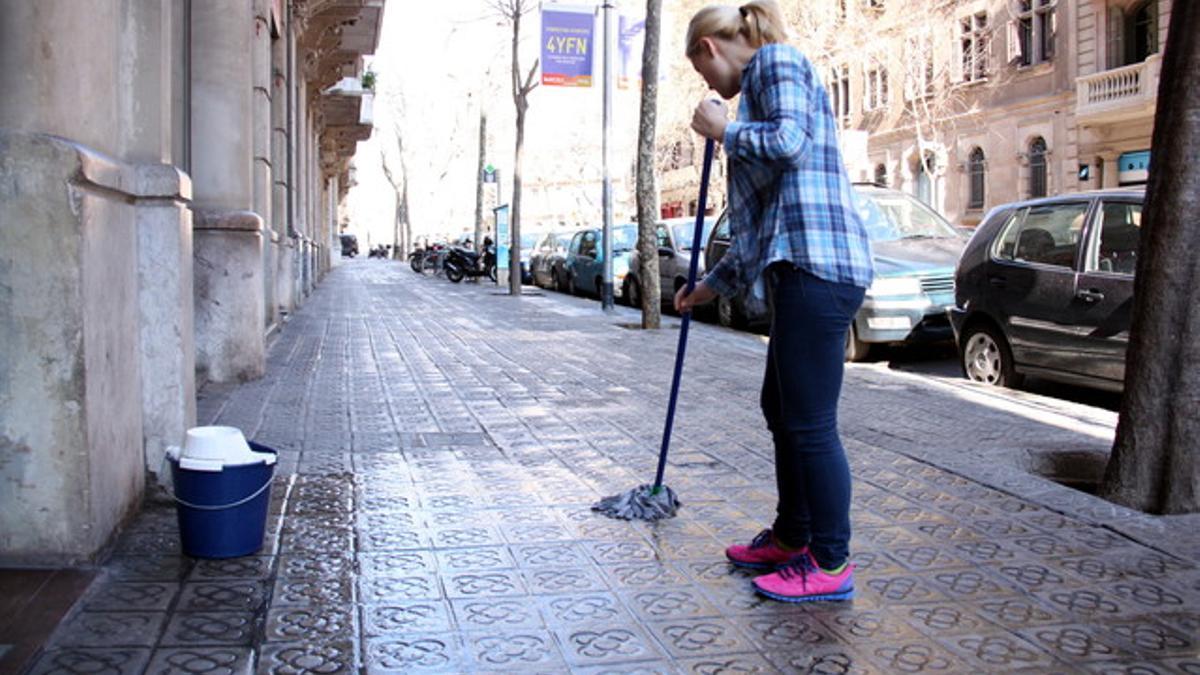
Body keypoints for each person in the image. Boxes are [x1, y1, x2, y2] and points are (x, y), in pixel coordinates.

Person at [675, 1, 874, 603]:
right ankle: (792, 537)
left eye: (702, 74)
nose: (710, 89)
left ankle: (831, 561)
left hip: (822, 265)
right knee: (782, 408)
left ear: (710, 49)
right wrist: (707, 287)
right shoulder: (757, 97)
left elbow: (789, 142)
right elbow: (760, 226)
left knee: (810, 422)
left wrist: (723, 130)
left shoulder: (775, 63)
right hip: (797, 265)